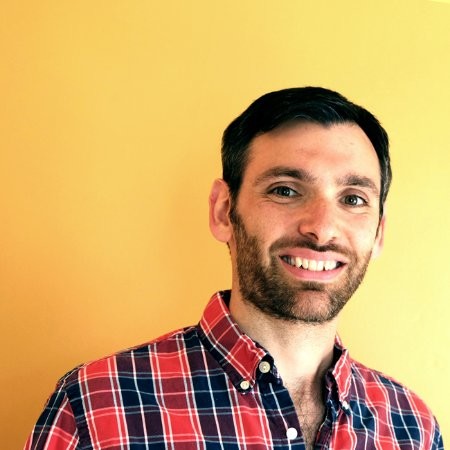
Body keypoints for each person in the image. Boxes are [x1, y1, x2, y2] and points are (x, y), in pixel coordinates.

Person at [25, 87, 443, 450]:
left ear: (379, 231)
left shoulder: (413, 428)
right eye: (285, 190)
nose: (321, 228)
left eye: (353, 199)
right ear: (224, 211)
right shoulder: (96, 409)